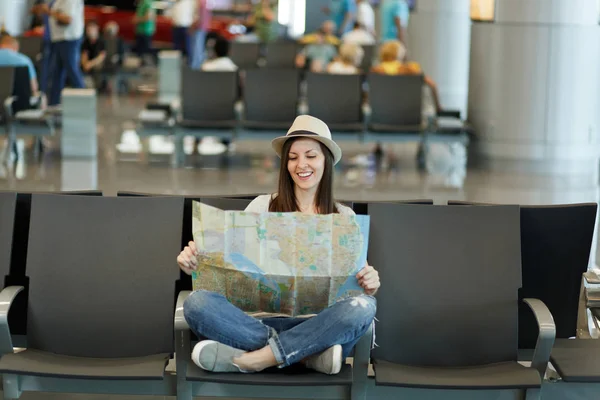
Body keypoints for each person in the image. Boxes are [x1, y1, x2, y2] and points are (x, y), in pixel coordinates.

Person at [177, 115, 380, 375]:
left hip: (319, 324)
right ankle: (309, 358)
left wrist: (371, 282)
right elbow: (226, 264)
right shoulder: (262, 206)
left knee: (364, 307)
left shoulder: (343, 218)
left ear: (326, 161)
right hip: (256, 323)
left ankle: (252, 359)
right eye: (293, 157)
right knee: (197, 303)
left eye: (310, 156)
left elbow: (358, 286)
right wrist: (193, 263)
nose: (301, 164)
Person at [371, 40, 442, 112]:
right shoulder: (412, 69)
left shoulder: (375, 70)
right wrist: (438, 108)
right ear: (400, 53)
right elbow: (433, 85)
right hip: (409, 116)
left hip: (382, 115)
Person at [38, 0, 85, 106]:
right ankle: (53, 105)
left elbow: (67, 19)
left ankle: (84, 103)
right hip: (59, 39)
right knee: (56, 74)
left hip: (69, 39)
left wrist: (49, 11)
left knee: (72, 71)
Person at [80, 21, 106, 89]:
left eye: (91, 29)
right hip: (88, 64)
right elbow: (84, 54)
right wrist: (84, 64)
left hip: (98, 63)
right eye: (88, 29)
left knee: (97, 68)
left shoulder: (101, 41)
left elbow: (101, 57)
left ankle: (97, 87)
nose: (90, 31)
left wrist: (90, 64)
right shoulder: (85, 42)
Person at [189, 0, 211, 70]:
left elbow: (199, 17)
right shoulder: (204, 2)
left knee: (197, 48)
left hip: (199, 28)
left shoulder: (200, 2)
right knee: (199, 47)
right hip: (202, 27)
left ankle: (196, 66)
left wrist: (193, 26)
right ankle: (198, 65)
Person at [133, 0, 156, 65]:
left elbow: (148, 17)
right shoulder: (141, 4)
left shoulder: (148, 3)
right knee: (140, 52)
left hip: (146, 31)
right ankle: (141, 67)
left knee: (146, 51)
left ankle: (149, 67)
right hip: (140, 31)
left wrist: (137, 20)